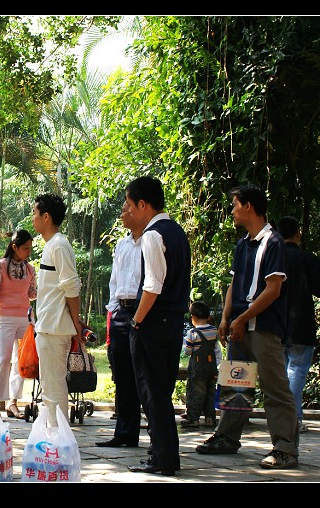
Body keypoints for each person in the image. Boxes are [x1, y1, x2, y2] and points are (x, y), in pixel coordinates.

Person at [195, 184, 299, 470]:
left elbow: (273, 289)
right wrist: (226, 318)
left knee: (274, 388)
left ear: (249, 206)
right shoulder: (243, 244)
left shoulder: (274, 242)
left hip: (263, 327)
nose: (232, 211)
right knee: (236, 383)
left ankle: (285, 448)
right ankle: (227, 437)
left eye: (235, 205)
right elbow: (234, 283)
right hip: (238, 328)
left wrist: (242, 319)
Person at [124, 175, 191, 477]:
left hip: (152, 322)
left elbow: (152, 286)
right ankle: (165, 455)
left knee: (152, 392)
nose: (128, 210)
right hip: (174, 322)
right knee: (161, 391)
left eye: (129, 204)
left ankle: (162, 457)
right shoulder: (177, 232)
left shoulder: (153, 235)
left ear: (143, 204)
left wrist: (136, 321)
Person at [31, 193, 86, 427]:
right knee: (50, 387)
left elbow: (71, 286)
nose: (32, 218)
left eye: (35, 213)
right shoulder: (51, 245)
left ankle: (58, 437)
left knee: (53, 388)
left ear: (46, 217)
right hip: (48, 325)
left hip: (54, 327)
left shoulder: (59, 245)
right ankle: (54, 435)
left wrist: (76, 322)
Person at [96, 200, 143, 448]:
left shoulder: (151, 241)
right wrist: (113, 310)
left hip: (142, 310)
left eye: (126, 209)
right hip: (120, 312)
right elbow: (115, 280)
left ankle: (157, 436)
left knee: (143, 375)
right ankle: (125, 433)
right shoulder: (122, 244)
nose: (122, 214)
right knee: (122, 375)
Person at [0, 229, 37, 420]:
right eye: (25, 248)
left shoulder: (30, 269)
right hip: (4, 318)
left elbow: (32, 294)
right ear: (14, 247)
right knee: (2, 360)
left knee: (22, 361)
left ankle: (13, 402)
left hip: (25, 319)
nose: (29, 251)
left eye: (30, 248)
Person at [277, 216, 320, 435]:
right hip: (301, 325)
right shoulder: (307, 258)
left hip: (276, 324)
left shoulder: (272, 257)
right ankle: (293, 418)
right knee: (297, 371)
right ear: (298, 234)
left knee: (282, 374)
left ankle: (283, 418)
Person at [181, 301, 219, 429]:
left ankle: (193, 418)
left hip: (198, 368)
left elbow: (187, 351)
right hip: (212, 367)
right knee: (210, 392)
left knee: (196, 392)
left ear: (193, 317)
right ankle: (210, 418)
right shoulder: (214, 331)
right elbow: (217, 350)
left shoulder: (192, 333)